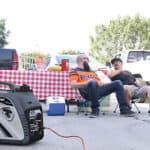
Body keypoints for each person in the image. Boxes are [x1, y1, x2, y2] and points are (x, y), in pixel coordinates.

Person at [69, 54, 135, 117]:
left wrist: (103, 83)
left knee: (117, 82)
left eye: (87, 59)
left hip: (98, 90)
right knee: (92, 82)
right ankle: (95, 109)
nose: (87, 60)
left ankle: (124, 109)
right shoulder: (74, 71)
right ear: (78, 60)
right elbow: (73, 85)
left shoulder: (91, 72)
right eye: (84, 58)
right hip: (87, 92)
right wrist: (87, 83)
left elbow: (99, 82)